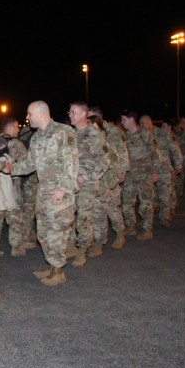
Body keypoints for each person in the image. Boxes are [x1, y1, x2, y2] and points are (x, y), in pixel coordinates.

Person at [6, 101, 78, 286]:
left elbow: (72, 163)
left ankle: (59, 271)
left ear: (41, 113)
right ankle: (53, 266)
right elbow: (30, 164)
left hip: (59, 194)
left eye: (29, 114)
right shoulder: (36, 137)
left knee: (57, 233)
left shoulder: (64, 132)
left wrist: (63, 188)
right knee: (43, 233)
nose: (27, 117)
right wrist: (11, 169)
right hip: (43, 192)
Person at [66, 101, 110, 268]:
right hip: (70, 184)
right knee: (69, 217)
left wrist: (88, 176)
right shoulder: (70, 134)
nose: (70, 115)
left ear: (84, 114)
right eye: (69, 112)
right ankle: (71, 246)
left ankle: (82, 251)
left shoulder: (95, 135)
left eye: (73, 112)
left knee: (83, 219)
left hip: (87, 184)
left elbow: (105, 159)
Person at [88, 106, 129, 251]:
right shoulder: (90, 131)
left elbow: (121, 153)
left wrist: (122, 172)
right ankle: (97, 240)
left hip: (111, 176)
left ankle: (120, 234)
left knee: (113, 209)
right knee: (97, 210)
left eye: (91, 117)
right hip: (96, 177)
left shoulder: (113, 131)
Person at [120, 110, 160, 240]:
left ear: (131, 119)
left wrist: (155, 171)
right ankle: (130, 227)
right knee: (127, 203)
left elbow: (155, 154)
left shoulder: (145, 135)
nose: (122, 123)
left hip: (144, 175)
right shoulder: (123, 137)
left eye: (124, 120)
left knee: (145, 204)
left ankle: (147, 230)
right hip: (129, 176)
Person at [0, 117, 28, 258]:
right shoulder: (16, 144)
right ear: (11, 128)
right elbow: (26, 163)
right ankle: (16, 247)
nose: (19, 129)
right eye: (17, 127)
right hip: (12, 186)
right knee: (14, 217)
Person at [139, 115, 181, 227]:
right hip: (148, 170)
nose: (142, 125)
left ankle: (165, 218)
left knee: (165, 195)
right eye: (140, 123)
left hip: (164, 169)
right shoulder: (140, 135)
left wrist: (178, 163)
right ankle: (146, 219)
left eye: (144, 123)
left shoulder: (163, 133)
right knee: (147, 197)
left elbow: (174, 148)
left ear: (150, 122)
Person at [17, 124, 39, 249]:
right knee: (29, 208)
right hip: (31, 176)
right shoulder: (36, 135)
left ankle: (28, 233)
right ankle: (24, 237)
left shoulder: (24, 132)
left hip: (22, 176)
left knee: (25, 207)